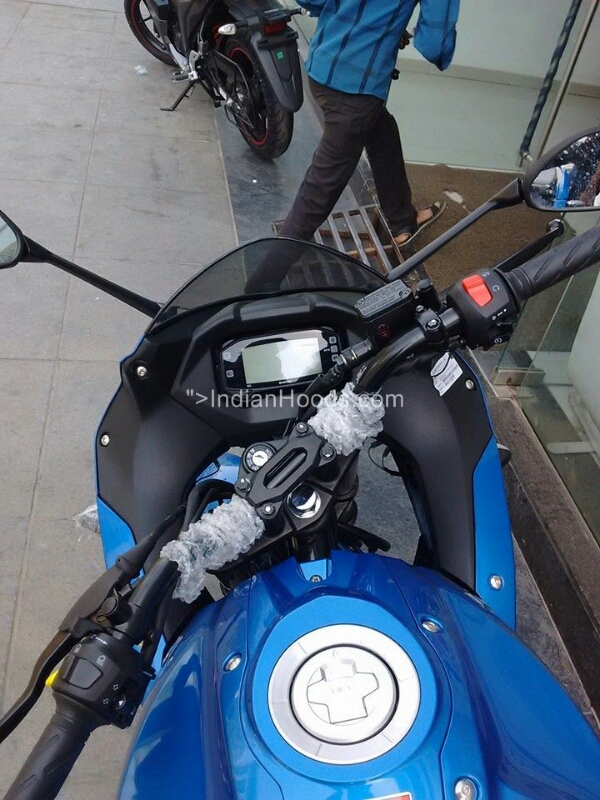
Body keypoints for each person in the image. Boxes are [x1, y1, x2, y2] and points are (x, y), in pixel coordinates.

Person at [278, 0, 461, 247]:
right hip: (356, 91)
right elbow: (434, 46)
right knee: (317, 196)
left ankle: (402, 219)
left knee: (383, 134)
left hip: (322, 64)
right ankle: (269, 270)